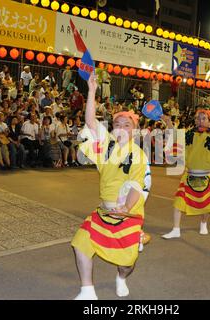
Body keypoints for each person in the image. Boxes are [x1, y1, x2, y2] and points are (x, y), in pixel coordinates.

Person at [71, 74, 149, 300]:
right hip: (103, 212)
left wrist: (126, 207)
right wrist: (92, 90)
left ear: (134, 130)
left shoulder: (139, 155)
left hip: (127, 214)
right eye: (117, 124)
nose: (121, 128)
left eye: (127, 125)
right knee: (80, 244)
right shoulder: (106, 146)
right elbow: (90, 122)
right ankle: (87, 291)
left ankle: (121, 277)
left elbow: (136, 185)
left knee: (126, 263)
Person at [161, 109, 210, 239]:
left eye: (203, 118)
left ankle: (203, 224)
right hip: (189, 175)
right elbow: (175, 135)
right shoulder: (189, 133)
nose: (200, 121)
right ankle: (176, 229)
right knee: (178, 202)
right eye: (198, 118)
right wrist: (168, 123)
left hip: (207, 175)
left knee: (207, 204)